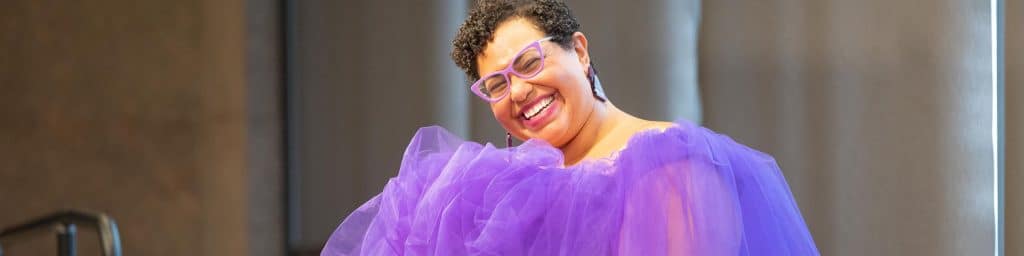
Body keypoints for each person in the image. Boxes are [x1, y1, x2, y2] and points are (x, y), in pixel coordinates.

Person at [321, 0, 819, 255]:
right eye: (496, 84)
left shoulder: (671, 163)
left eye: (530, 62)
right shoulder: (498, 194)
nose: (517, 92)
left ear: (579, 51)